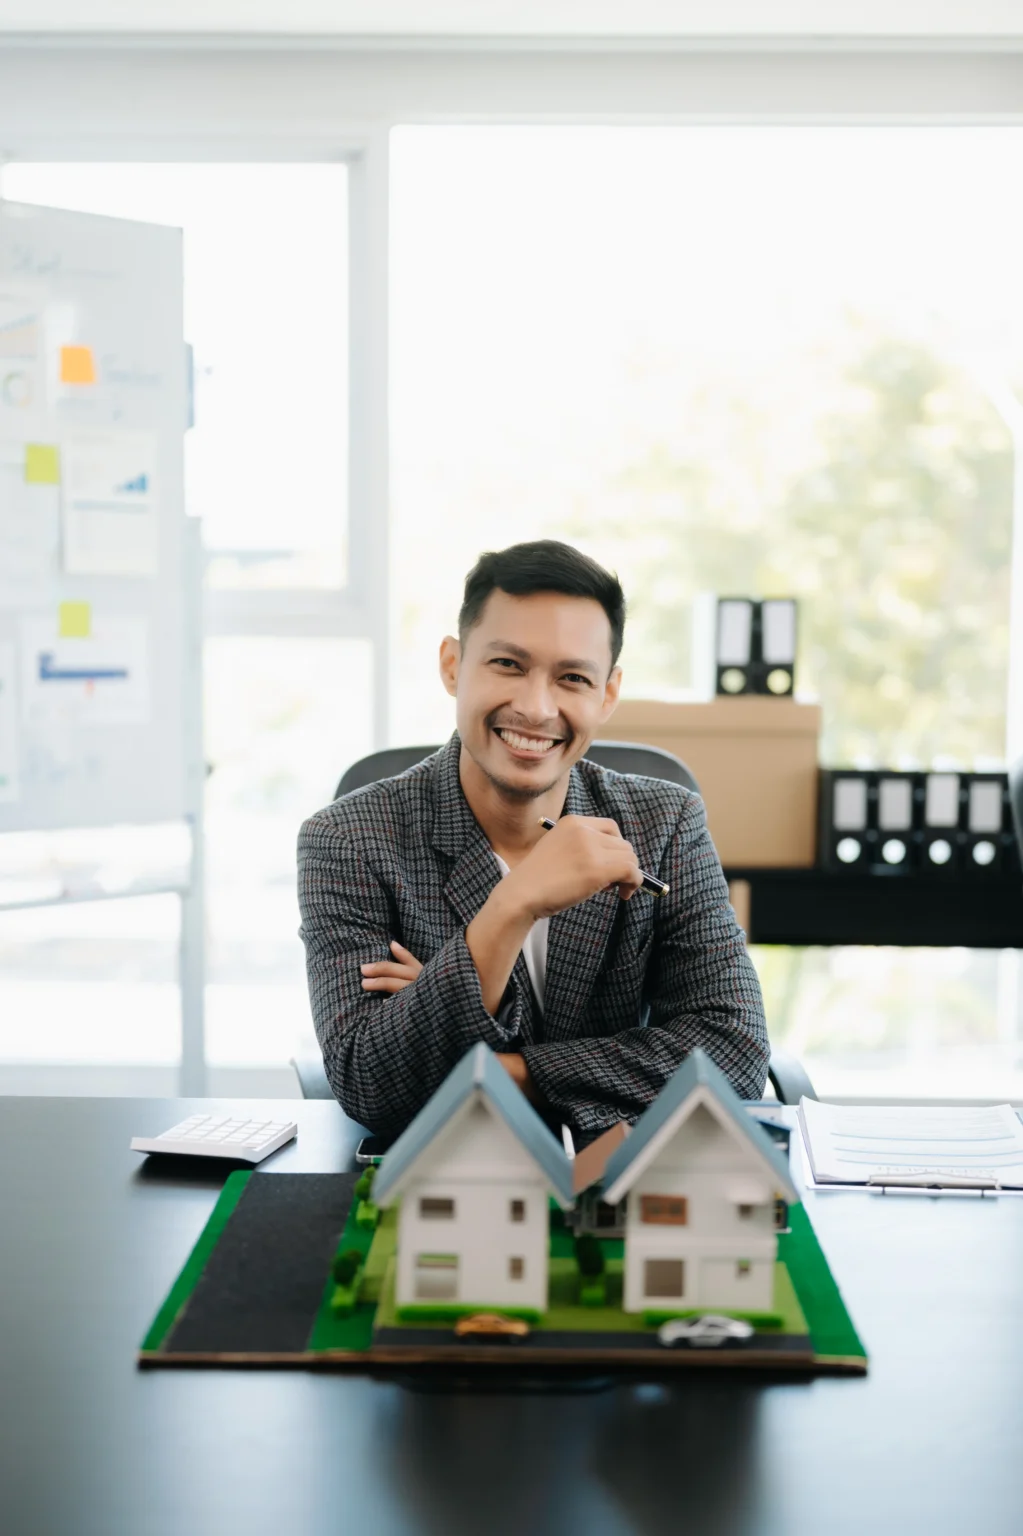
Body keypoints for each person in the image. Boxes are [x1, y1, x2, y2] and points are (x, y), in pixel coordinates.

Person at [298, 539, 768, 1140]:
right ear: (452, 665)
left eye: (572, 677)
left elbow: (734, 1055)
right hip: (437, 1182)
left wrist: (487, 1059)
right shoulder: (347, 839)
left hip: (623, 1180)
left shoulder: (664, 823)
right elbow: (369, 1080)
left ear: (607, 694)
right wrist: (513, 905)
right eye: (507, 665)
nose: (536, 707)